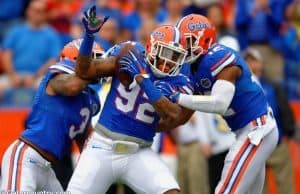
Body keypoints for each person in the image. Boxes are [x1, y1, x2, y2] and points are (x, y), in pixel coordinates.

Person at [120, 14, 279, 194]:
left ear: (205, 39)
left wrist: (177, 97)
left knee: (226, 189)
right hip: (247, 131)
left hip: (257, 129)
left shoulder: (220, 57)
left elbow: (220, 103)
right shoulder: (189, 68)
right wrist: (146, 128)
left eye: (188, 41)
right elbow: (182, 117)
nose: (182, 46)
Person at [67, 23, 195, 193]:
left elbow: (173, 114)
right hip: (102, 146)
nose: (169, 61)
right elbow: (85, 71)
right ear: (151, 47)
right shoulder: (130, 54)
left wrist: (143, 80)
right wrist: (89, 38)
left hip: (139, 151)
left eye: (176, 56)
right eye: (166, 52)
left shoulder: (180, 79)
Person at [0, 6, 107, 192]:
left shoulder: (89, 99)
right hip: (25, 157)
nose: (96, 66)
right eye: (92, 61)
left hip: (47, 168)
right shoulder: (57, 76)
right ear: (73, 61)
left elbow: (84, 138)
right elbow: (73, 86)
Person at [243, 47, 296, 194]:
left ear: (261, 63)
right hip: (256, 147)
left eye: (253, 60)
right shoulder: (241, 89)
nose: (250, 64)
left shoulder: (273, 86)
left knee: (286, 187)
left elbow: (284, 110)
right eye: (247, 60)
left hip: (278, 144)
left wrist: (288, 133)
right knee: (259, 189)